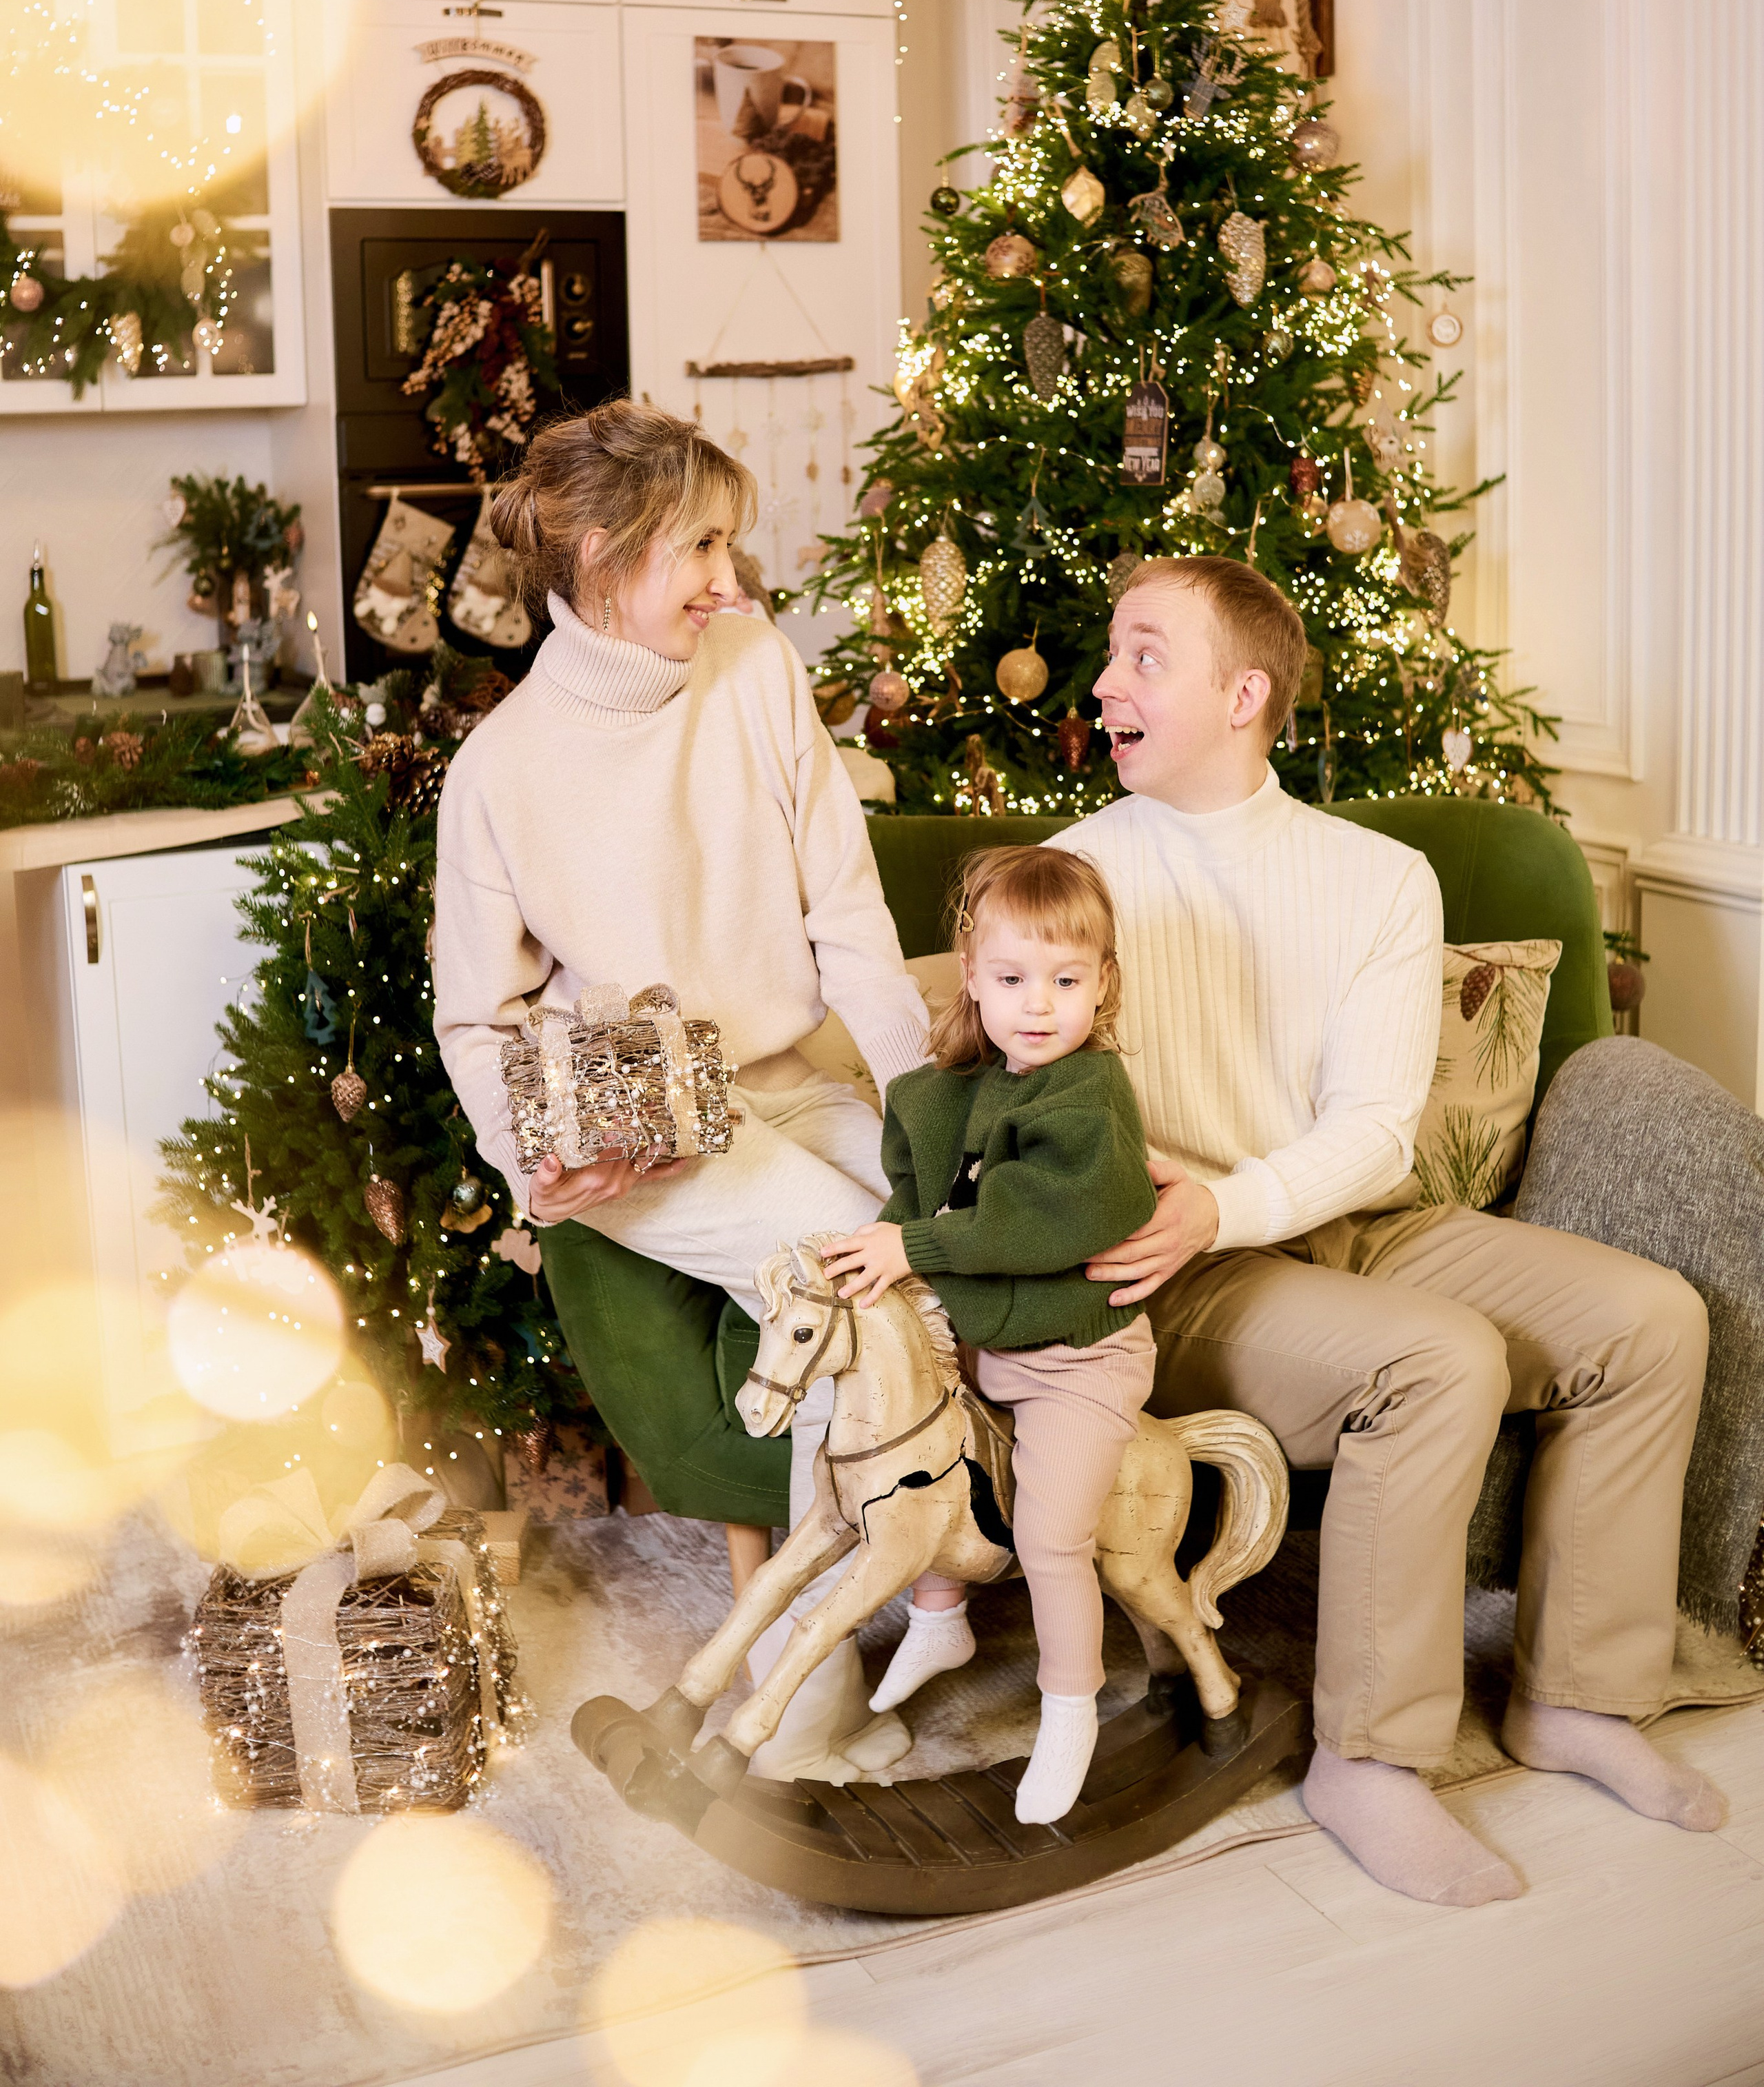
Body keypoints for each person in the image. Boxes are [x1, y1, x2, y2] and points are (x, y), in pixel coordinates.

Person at [1043, 553, 1717, 1904]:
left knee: (1651, 1319)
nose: (1106, 682)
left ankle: (1576, 1697)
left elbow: (1374, 1134)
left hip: (1344, 1219)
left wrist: (1234, 1194)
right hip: (1170, 1270)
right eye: (1111, 655)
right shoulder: (1073, 875)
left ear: (1243, 694)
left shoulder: (1378, 879)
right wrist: (1177, 1204)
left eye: (1143, 655)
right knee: (1440, 1360)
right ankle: (1372, 1757)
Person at [431, 400, 930, 1783]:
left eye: (729, 543)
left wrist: (930, 1123)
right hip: (656, 1143)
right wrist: (539, 1173)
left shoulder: (754, 663)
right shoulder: (502, 773)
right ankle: (799, 1702)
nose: (731, 578)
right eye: (699, 547)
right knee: (853, 1291)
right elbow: (475, 1016)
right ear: (598, 550)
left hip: (797, 1075)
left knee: (946, 1251)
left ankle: (942, 1598)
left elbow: (845, 909)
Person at [820, 846, 1159, 1824]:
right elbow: (909, 1195)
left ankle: (1069, 1706)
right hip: (985, 1349)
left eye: (1066, 980)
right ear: (972, 977)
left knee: (1054, 1540)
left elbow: (1032, 1222)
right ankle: (940, 1614)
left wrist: (914, 1244)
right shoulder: (943, 1095)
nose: (1039, 1005)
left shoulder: (1089, 1099)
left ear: (1104, 984)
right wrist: (890, 1253)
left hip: (1078, 1362)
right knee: (921, 1452)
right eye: (1012, 980)